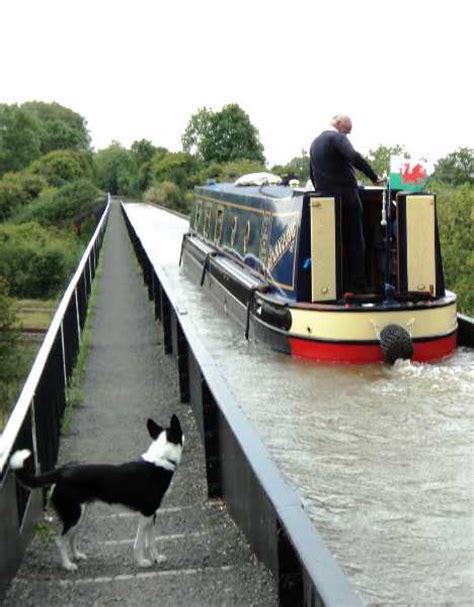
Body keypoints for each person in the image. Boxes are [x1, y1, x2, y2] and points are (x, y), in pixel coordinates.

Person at [309, 114, 382, 293]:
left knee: (330, 243)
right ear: (339, 124)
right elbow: (354, 156)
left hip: (325, 201)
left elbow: (312, 173)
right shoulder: (336, 138)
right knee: (357, 241)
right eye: (347, 131)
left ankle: (330, 285)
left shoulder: (315, 143)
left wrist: (321, 191)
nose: (347, 135)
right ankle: (359, 285)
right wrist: (374, 176)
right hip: (347, 197)